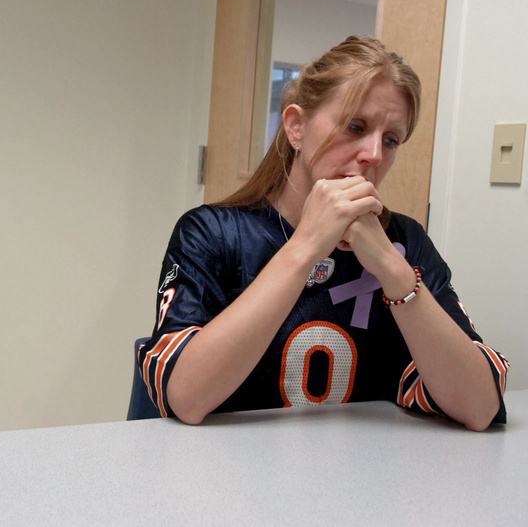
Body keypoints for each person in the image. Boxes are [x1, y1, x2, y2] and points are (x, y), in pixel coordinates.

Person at [140, 36, 508, 431]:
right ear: (296, 126)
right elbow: (187, 398)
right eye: (355, 126)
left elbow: (479, 408)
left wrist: (391, 268)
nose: (374, 155)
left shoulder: (405, 240)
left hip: (363, 476)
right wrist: (305, 247)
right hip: (227, 477)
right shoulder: (213, 233)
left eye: (391, 139)